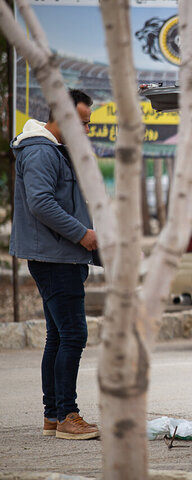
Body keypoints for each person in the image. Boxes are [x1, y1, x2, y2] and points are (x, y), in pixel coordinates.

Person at [10, 89, 99, 440]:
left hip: (60, 255)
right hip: (55, 257)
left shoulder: (55, 150)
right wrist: (82, 234)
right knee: (74, 334)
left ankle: (53, 415)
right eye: (82, 123)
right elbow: (41, 203)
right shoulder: (41, 151)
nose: (87, 130)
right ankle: (67, 415)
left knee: (58, 336)